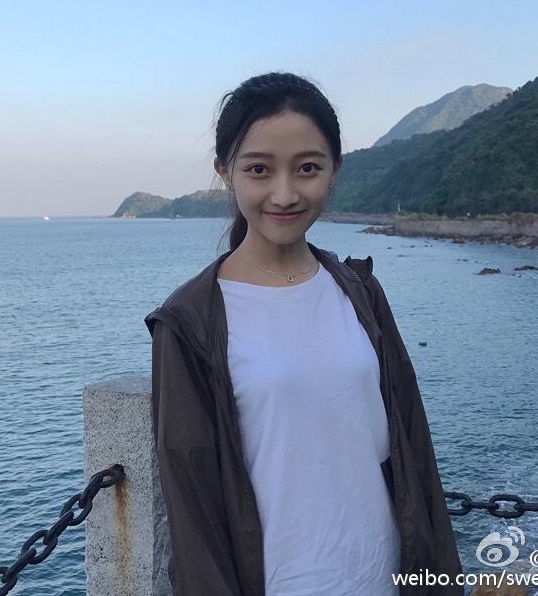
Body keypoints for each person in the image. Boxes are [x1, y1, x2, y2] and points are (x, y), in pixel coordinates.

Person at [145, 72, 463, 596]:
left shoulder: (359, 290)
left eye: (307, 168)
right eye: (259, 169)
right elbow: (193, 510)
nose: (285, 193)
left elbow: (414, 449)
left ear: (334, 169)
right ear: (225, 173)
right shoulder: (190, 323)